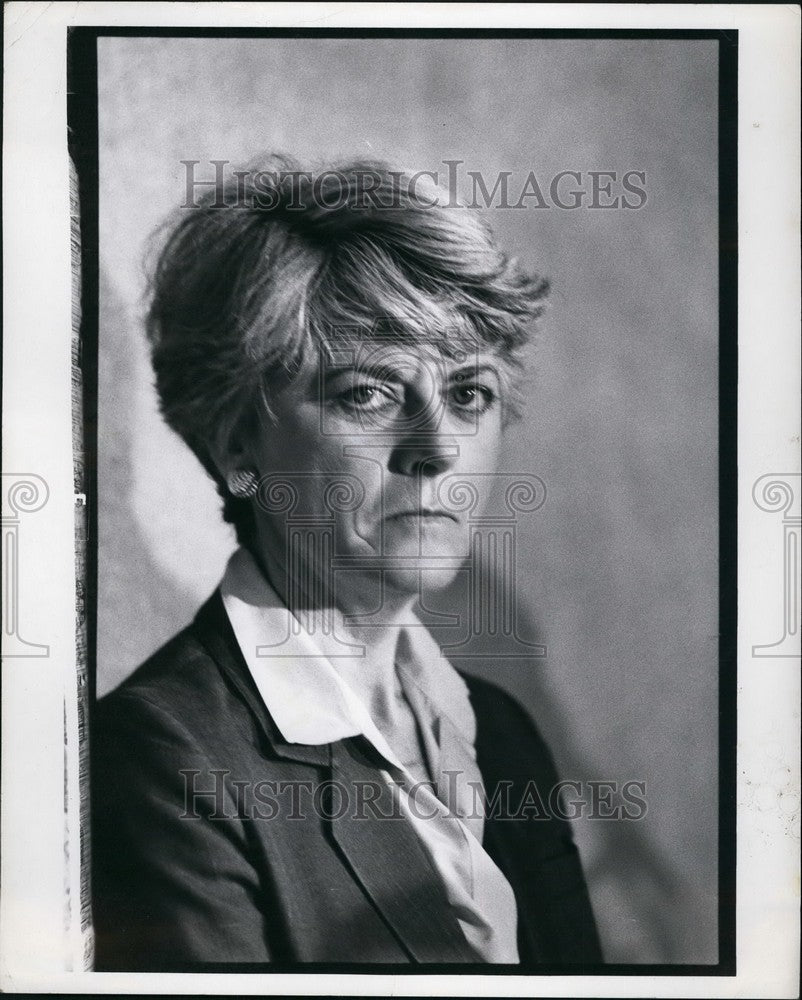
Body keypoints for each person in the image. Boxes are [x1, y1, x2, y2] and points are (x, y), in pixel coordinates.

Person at [91, 156, 602, 970]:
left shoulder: (497, 733)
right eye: (367, 393)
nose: (438, 447)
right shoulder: (163, 760)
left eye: (469, 394)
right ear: (236, 444)